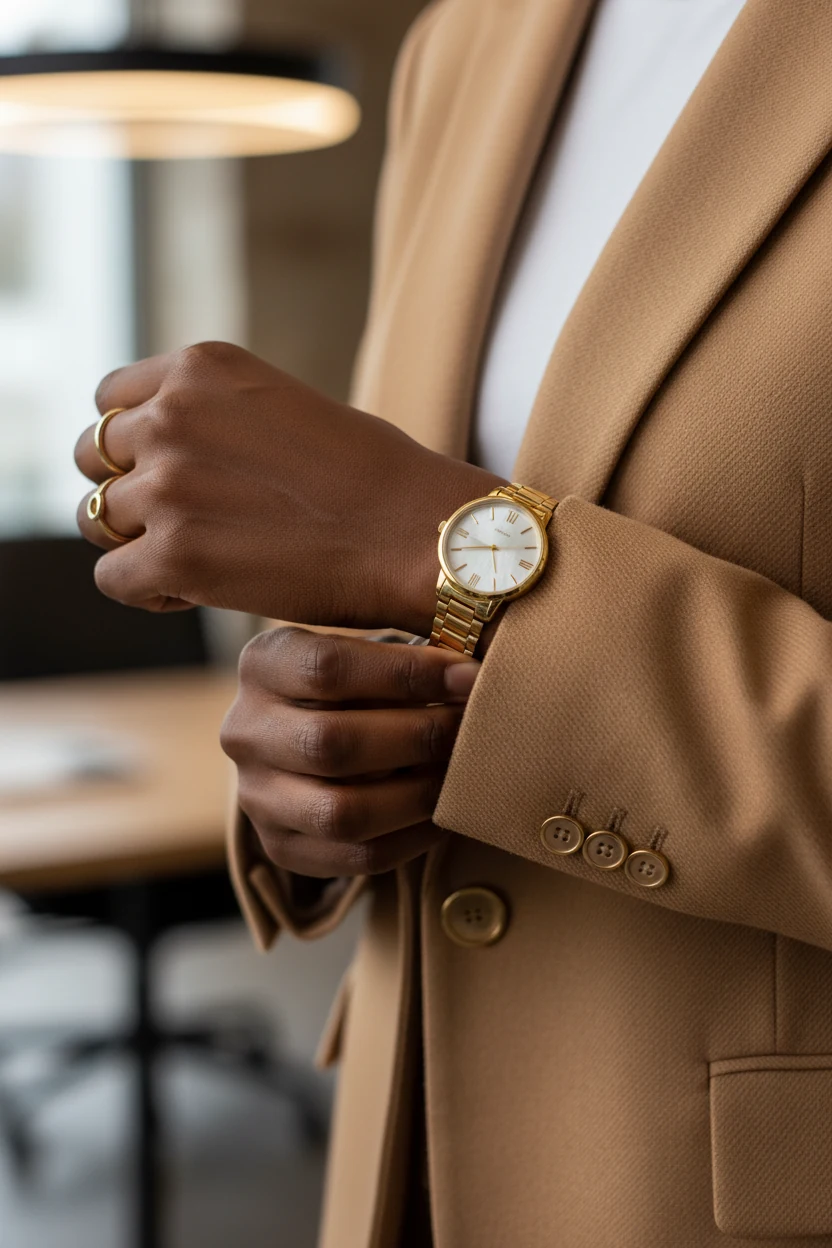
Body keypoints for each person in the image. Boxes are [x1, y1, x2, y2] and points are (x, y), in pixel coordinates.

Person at [74, 0, 832, 1243]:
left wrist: (440, 543)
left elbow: (429, 544)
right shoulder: (472, 42)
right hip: (412, 1167)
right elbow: (436, 618)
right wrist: (316, 747)